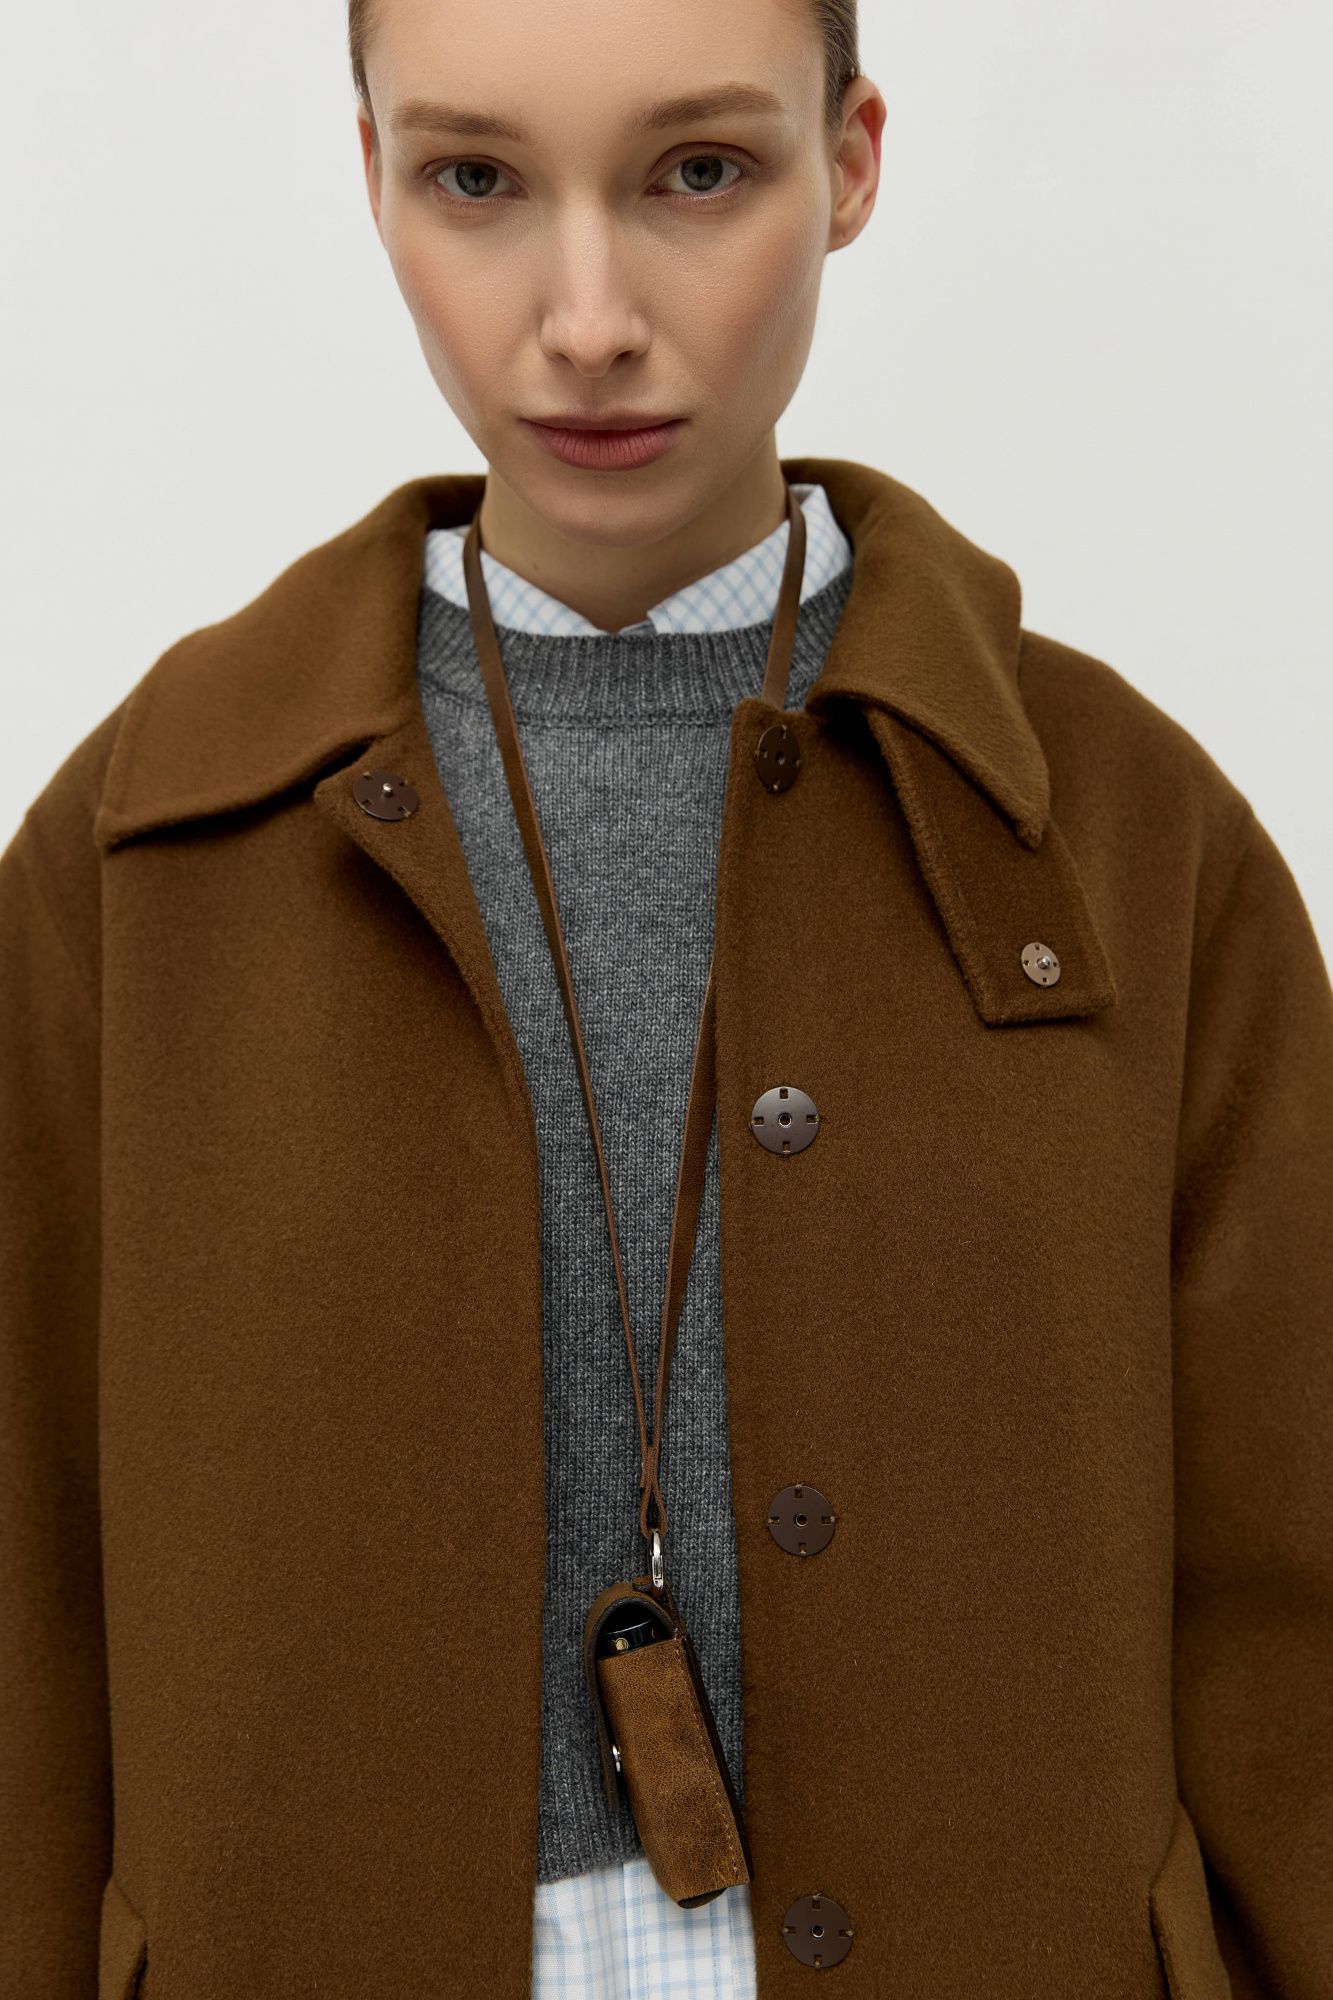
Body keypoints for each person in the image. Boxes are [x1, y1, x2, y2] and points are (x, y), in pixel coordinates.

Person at [2, 1, 1329, 1996]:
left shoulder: (1123, 831)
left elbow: (1289, 1598)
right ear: (371, 176)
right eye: (476, 179)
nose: (588, 318)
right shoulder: (143, 852)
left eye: (697, 172)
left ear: (849, 161)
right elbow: (26, 1595)